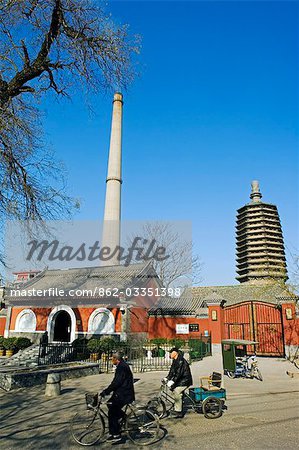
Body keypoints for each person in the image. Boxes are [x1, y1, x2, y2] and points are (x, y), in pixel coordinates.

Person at [100, 352, 135, 443]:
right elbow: (116, 381)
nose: (111, 360)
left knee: (112, 411)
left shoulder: (121, 367)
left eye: (112, 359)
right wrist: (108, 390)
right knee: (110, 405)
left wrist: (106, 391)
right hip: (121, 393)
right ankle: (123, 417)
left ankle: (116, 434)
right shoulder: (121, 365)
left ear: (116, 359)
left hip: (124, 394)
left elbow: (117, 382)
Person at [164, 347, 193, 418]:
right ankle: (179, 402)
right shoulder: (175, 360)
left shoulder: (181, 361)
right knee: (173, 389)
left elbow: (178, 374)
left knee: (177, 391)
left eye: (171, 352)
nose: (170, 354)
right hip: (180, 380)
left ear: (175, 353)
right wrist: (167, 378)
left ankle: (179, 411)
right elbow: (172, 371)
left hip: (185, 381)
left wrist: (172, 381)